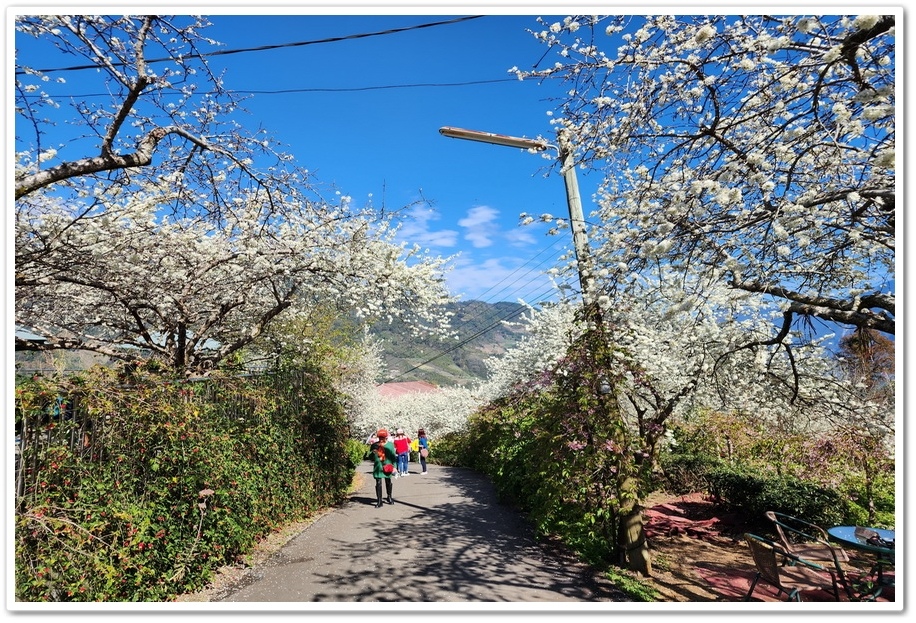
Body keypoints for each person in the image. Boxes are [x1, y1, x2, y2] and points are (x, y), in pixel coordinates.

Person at [369, 429, 397, 507]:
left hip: (387, 466)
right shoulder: (374, 445)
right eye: (380, 437)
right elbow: (370, 457)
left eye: (383, 437)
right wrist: (372, 453)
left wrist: (395, 467)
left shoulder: (390, 445)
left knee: (388, 481)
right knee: (378, 482)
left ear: (386, 437)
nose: (381, 439)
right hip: (378, 466)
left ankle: (389, 496)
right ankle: (379, 500)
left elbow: (393, 457)